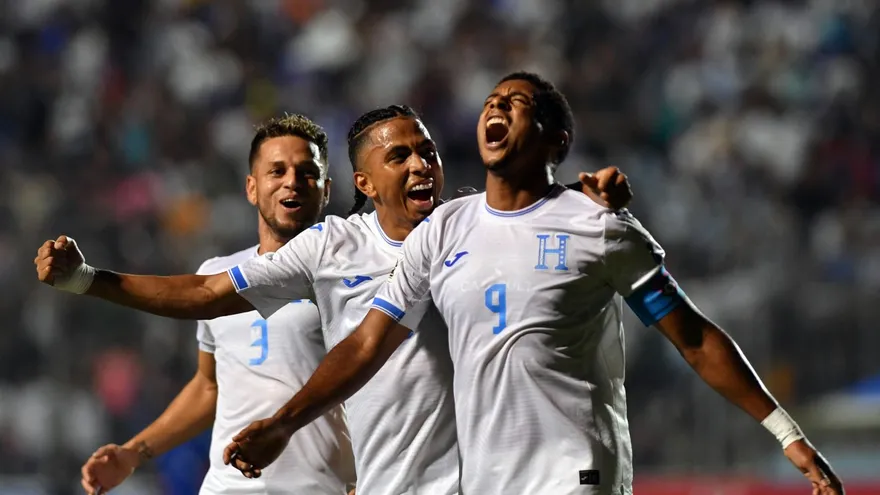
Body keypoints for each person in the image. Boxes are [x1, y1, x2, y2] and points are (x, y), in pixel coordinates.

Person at [220, 73, 845, 495]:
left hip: (575, 474)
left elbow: (694, 337)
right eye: (492, 100)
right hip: (488, 483)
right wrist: (284, 423)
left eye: (517, 104)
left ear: (557, 139)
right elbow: (363, 345)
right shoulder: (446, 228)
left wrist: (786, 433)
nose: (496, 107)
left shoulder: (598, 227)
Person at [34, 104, 635, 494]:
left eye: (427, 151)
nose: (421, 163)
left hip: (469, 480)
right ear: (365, 185)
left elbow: (532, 212)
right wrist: (87, 279)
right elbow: (206, 302)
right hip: (362, 484)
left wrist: (584, 198)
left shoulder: (467, 227)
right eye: (399, 155)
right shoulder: (329, 249)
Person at [75, 115, 356, 495]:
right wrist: (133, 453)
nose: (292, 180)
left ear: (325, 190)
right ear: (252, 189)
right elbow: (210, 386)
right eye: (277, 171)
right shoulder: (217, 272)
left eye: (307, 172)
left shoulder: (349, 276)